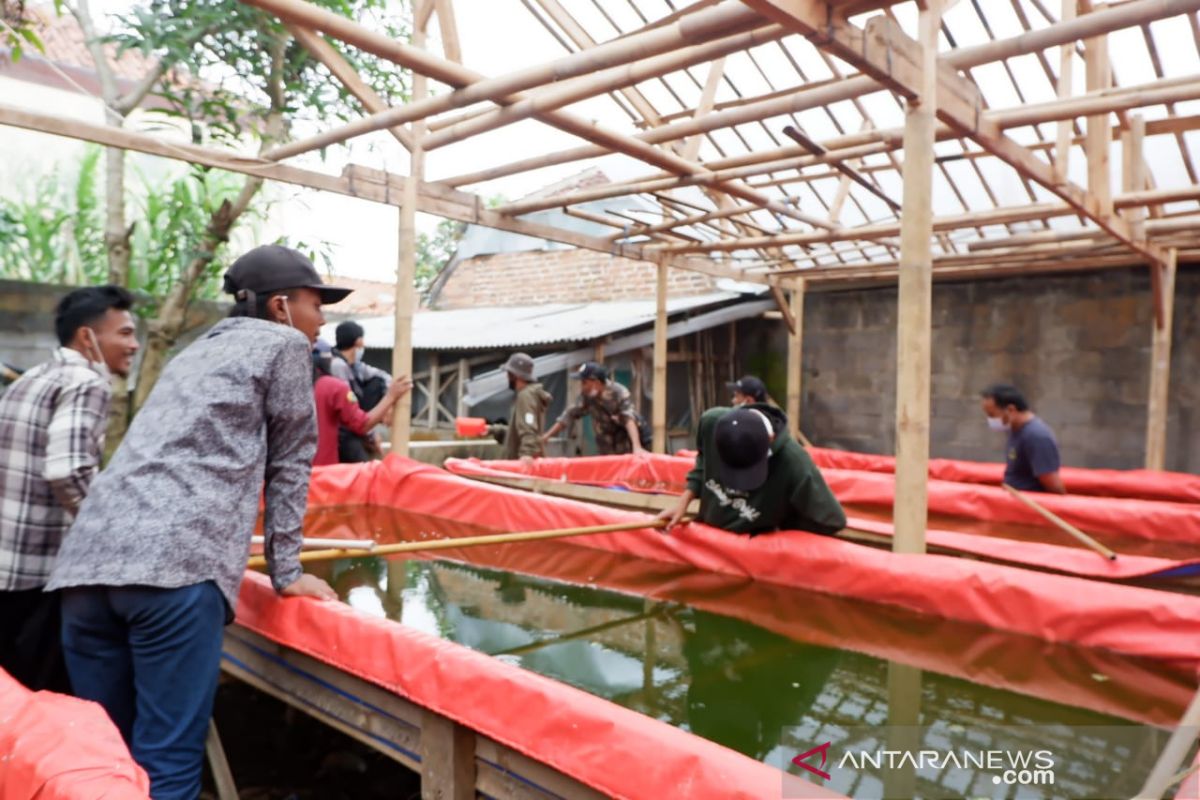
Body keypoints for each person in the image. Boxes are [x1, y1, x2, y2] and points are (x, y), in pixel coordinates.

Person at [46, 245, 344, 800]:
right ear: (280, 307)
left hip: (84, 571)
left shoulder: (192, 352)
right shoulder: (283, 344)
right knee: (167, 761)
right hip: (174, 571)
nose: (322, 317)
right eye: (315, 303)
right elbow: (291, 461)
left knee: (106, 758)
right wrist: (287, 571)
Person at [0, 286, 138, 692]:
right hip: (33, 576)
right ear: (87, 337)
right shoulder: (86, 382)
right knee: (40, 696)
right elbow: (68, 471)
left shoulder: (37, 377)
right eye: (125, 333)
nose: (133, 345)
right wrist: (110, 538)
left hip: (7, 565)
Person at [657, 404, 846, 535]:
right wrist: (683, 502)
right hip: (710, 534)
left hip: (753, 547)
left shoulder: (794, 462)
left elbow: (832, 521)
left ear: (770, 440)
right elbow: (703, 461)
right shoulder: (710, 423)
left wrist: (781, 525)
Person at [312, 342, 411, 467]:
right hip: (325, 470)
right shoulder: (333, 386)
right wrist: (390, 397)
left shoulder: (292, 386)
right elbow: (361, 423)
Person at [542, 362, 648, 456]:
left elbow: (629, 419)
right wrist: (547, 436)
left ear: (596, 383)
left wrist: (636, 447)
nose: (582, 387)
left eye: (584, 383)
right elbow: (569, 414)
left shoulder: (618, 392)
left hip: (624, 450)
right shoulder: (588, 396)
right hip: (605, 451)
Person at [980, 383, 1065, 494]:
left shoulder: (1036, 436)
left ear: (1010, 410)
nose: (990, 420)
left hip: (1029, 504)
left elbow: (1052, 483)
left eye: (992, 415)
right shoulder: (1015, 430)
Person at [330, 320, 393, 463]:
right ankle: (364, 431)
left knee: (378, 383)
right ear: (358, 342)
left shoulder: (356, 366)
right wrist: (370, 433)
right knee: (362, 468)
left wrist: (389, 405)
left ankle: (365, 429)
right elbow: (347, 409)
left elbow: (386, 378)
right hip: (343, 430)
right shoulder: (337, 366)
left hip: (355, 422)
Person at [488, 352, 552, 461]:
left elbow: (529, 427)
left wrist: (526, 454)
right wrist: (494, 430)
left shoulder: (525, 396)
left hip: (519, 464)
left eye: (509, 373)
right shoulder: (529, 394)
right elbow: (518, 431)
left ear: (515, 375)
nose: (507, 376)